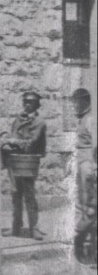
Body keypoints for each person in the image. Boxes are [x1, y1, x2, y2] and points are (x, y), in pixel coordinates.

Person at [0, 90, 47, 240]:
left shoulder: (39, 122)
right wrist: (5, 138)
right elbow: (12, 135)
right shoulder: (19, 119)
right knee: (15, 194)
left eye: (30, 102)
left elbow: (30, 144)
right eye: (25, 102)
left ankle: (34, 228)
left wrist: (12, 141)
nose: (26, 105)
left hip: (29, 162)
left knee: (29, 194)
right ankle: (16, 227)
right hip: (15, 161)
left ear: (37, 105)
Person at [71, 88, 93, 261]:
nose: (75, 105)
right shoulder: (80, 119)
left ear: (85, 101)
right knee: (79, 202)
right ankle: (79, 239)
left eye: (77, 102)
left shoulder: (91, 119)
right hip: (79, 163)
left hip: (88, 164)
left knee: (88, 204)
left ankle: (84, 241)